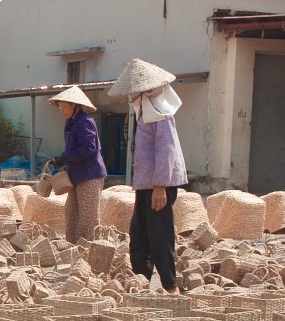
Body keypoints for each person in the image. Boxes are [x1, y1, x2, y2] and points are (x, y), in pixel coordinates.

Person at [108, 58, 188, 294]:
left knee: (159, 234)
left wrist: (160, 187)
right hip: (146, 184)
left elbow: (166, 151)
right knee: (139, 233)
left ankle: (170, 286)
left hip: (159, 185)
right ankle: (140, 282)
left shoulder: (161, 113)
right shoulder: (145, 113)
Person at [47, 86, 107, 244]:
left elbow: (89, 148)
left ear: (74, 105)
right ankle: (72, 249)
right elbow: (73, 148)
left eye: (64, 107)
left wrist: (66, 157)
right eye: (60, 107)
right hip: (76, 175)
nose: (61, 110)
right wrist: (61, 159)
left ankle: (86, 253)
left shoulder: (84, 122)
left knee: (87, 217)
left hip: (89, 175)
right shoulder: (71, 122)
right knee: (71, 214)